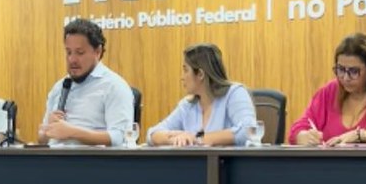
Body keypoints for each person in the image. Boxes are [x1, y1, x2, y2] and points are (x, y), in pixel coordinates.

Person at [288, 32, 366, 146]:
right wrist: (302, 136)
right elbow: (298, 127)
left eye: (354, 71)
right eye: (340, 69)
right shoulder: (329, 91)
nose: (345, 78)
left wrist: (361, 135)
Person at [39, 18, 133, 146]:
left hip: (91, 158)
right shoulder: (59, 87)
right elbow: (42, 140)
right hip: (53, 157)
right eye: (68, 52)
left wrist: (72, 132)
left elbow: (121, 137)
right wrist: (46, 132)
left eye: (80, 53)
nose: (72, 59)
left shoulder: (114, 86)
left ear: (97, 52)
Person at [147, 43, 257, 147]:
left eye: (185, 70)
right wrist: (175, 138)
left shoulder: (234, 93)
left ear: (200, 74)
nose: (182, 77)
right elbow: (152, 134)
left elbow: (248, 131)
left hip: (226, 160)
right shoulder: (187, 105)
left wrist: (197, 138)